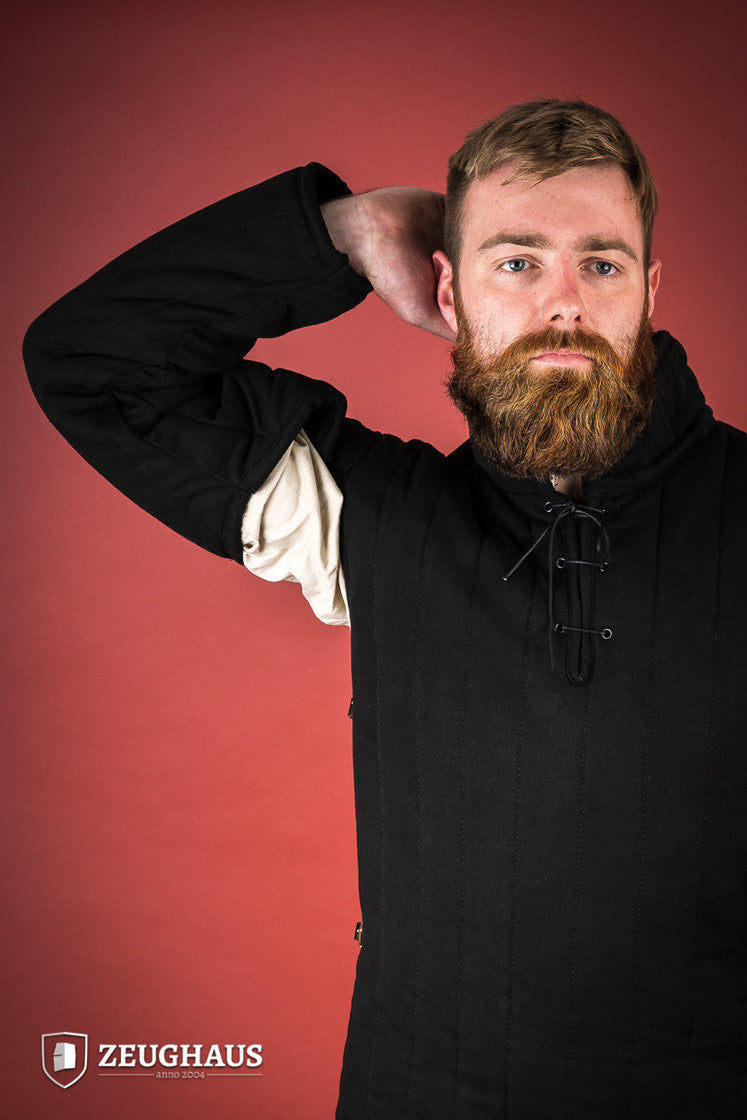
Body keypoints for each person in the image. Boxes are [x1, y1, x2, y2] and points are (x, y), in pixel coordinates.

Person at [23, 99, 745, 1118]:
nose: (564, 305)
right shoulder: (369, 518)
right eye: (516, 261)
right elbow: (94, 367)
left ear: (649, 291)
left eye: (601, 263)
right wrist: (344, 232)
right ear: (447, 290)